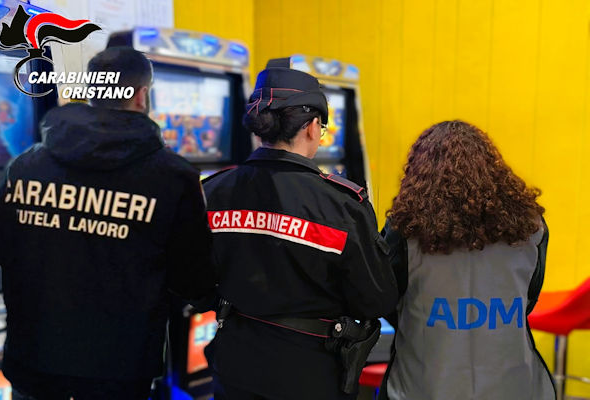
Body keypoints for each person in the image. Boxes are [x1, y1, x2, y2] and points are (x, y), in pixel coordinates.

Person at [0, 47, 215, 400]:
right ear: (141, 95)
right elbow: (193, 280)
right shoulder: (173, 177)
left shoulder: (27, 165)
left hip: (33, 359)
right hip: (119, 369)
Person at [202, 58, 399, 400]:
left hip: (235, 360)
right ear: (311, 127)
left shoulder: (212, 191)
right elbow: (375, 299)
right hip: (311, 367)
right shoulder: (342, 204)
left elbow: (191, 284)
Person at [379, 120, 555, 400]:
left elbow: (385, 297)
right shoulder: (531, 227)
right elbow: (529, 298)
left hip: (425, 386)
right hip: (514, 386)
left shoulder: (405, 230)